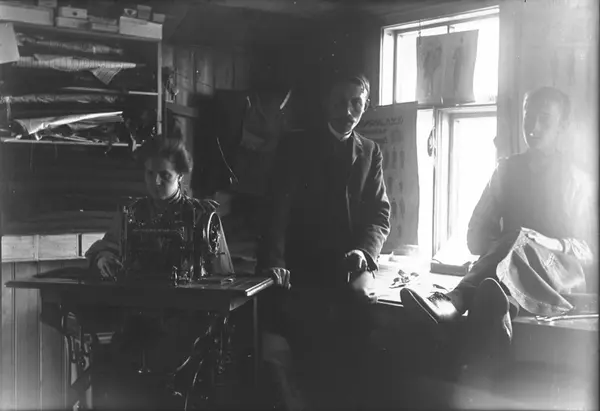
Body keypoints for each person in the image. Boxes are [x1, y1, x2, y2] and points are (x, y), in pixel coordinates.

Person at [400, 86, 596, 378]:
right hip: (508, 272)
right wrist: (504, 242)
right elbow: (475, 237)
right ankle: (498, 312)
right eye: (529, 117)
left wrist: (550, 242)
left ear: (563, 126)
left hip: (560, 276)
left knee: (517, 239)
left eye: (545, 119)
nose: (534, 127)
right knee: (510, 249)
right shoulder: (506, 171)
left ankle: (455, 301)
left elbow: (590, 250)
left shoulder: (579, 182)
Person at [255, 73, 391, 410]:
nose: (347, 111)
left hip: (348, 267)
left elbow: (379, 214)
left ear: (365, 106)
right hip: (302, 266)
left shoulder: (370, 151)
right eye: (339, 102)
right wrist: (275, 261)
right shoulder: (295, 146)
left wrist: (364, 251)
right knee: (303, 350)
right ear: (325, 104)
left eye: (356, 103)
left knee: (354, 349)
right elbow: (277, 210)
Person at [84, 134, 234, 409]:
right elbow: (107, 247)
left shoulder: (202, 216)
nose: (155, 182)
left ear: (180, 176)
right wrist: (104, 259)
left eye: (164, 175)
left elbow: (224, 275)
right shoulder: (131, 213)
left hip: (188, 318)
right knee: (118, 369)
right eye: (150, 174)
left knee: (163, 372)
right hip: (138, 315)